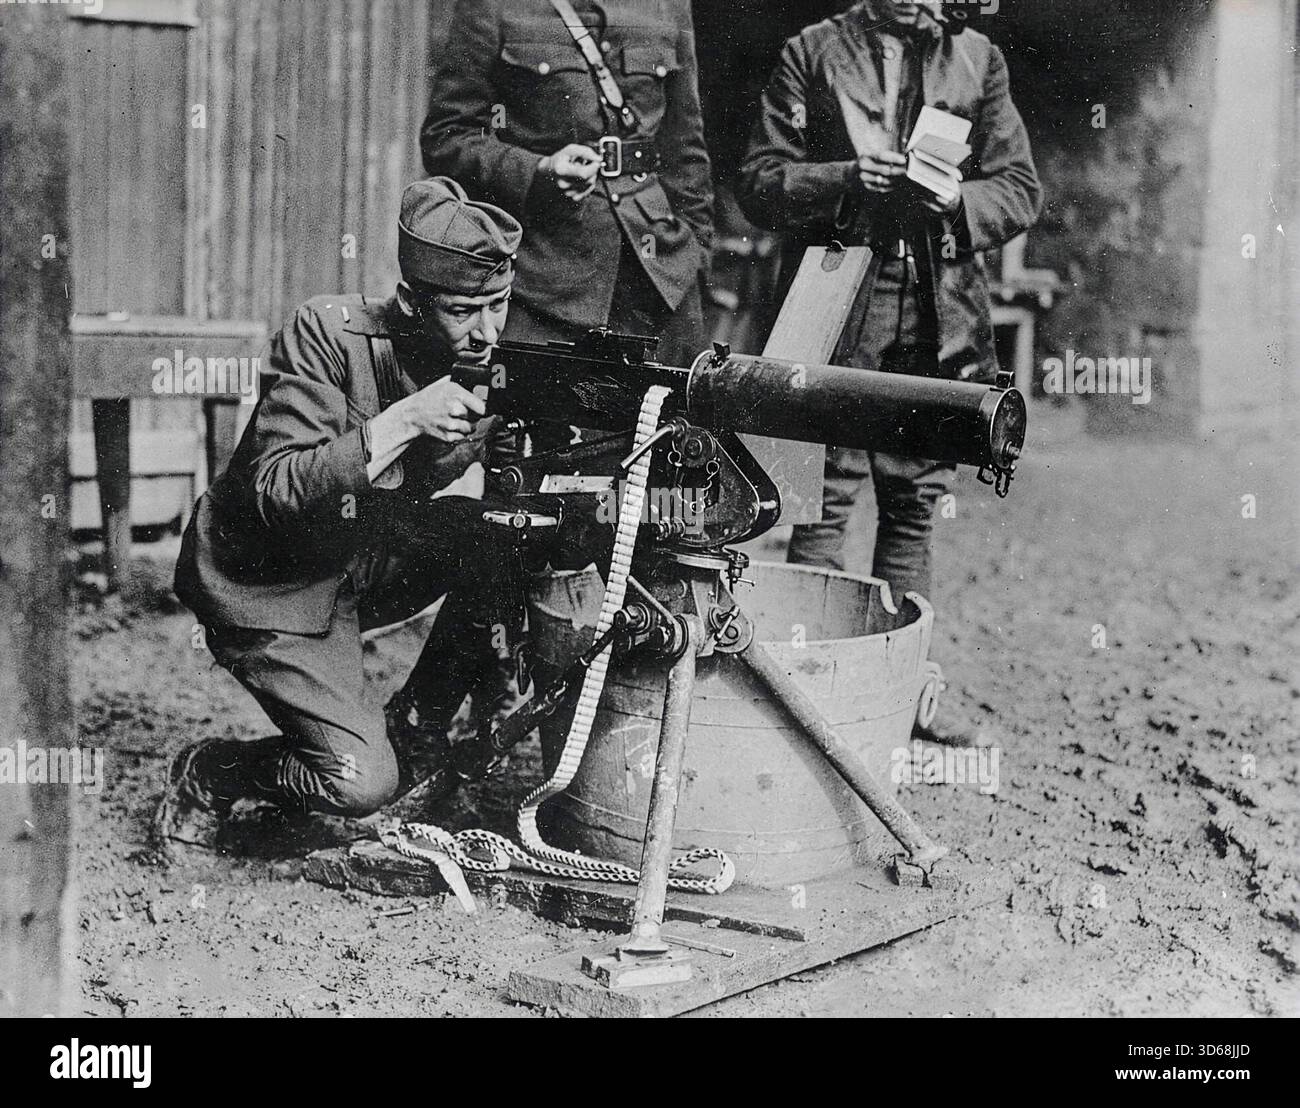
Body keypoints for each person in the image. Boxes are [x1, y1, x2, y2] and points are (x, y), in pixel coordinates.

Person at [157, 178, 522, 852]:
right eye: (465, 310)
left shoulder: (489, 361)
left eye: (499, 305)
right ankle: (213, 771)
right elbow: (275, 489)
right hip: (271, 580)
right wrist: (406, 419)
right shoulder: (327, 332)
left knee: (508, 539)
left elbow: (509, 485)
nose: (488, 330)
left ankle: (419, 727)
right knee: (357, 785)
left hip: (361, 562)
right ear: (412, 301)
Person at [736, 0, 1041, 740]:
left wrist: (957, 198)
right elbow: (759, 179)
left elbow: (1021, 188)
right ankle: (804, 704)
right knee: (824, 498)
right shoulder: (812, 50)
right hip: (840, 299)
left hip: (938, 311)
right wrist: (843, 177)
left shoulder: (976, 58)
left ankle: (903, 704)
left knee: (914, 504)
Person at [421, 0, 713, 369]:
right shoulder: (492, 7)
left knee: (670, 422)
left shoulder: (668, 7)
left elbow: (685, 146)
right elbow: (446, 136)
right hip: (543, 281)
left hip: (661, 280)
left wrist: (697, 258)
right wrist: (537, 171)